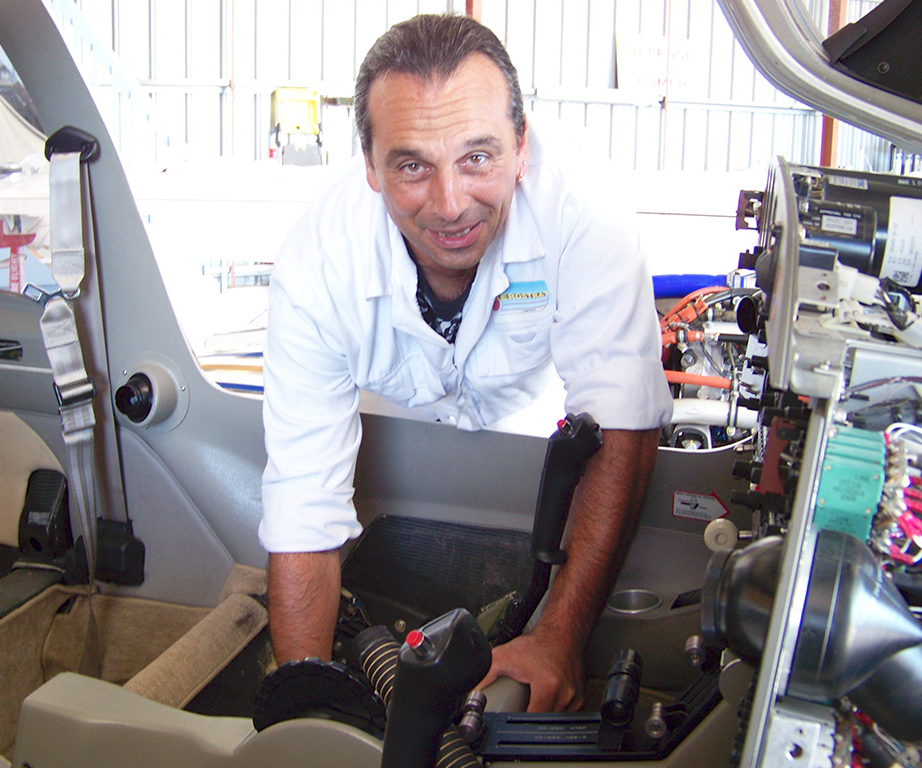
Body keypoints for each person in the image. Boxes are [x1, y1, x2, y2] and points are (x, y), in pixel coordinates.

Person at [259, 13, 672, 713]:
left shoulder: (584, 210)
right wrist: (303, 708)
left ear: (521, 146)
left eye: (477, 157)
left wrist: (558, 638)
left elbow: (622, 420)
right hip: (403, 421)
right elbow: (303, 502)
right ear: (369, 167)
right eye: (412, 166)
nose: (451, 205)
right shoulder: (317, 264)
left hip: (540, 425)